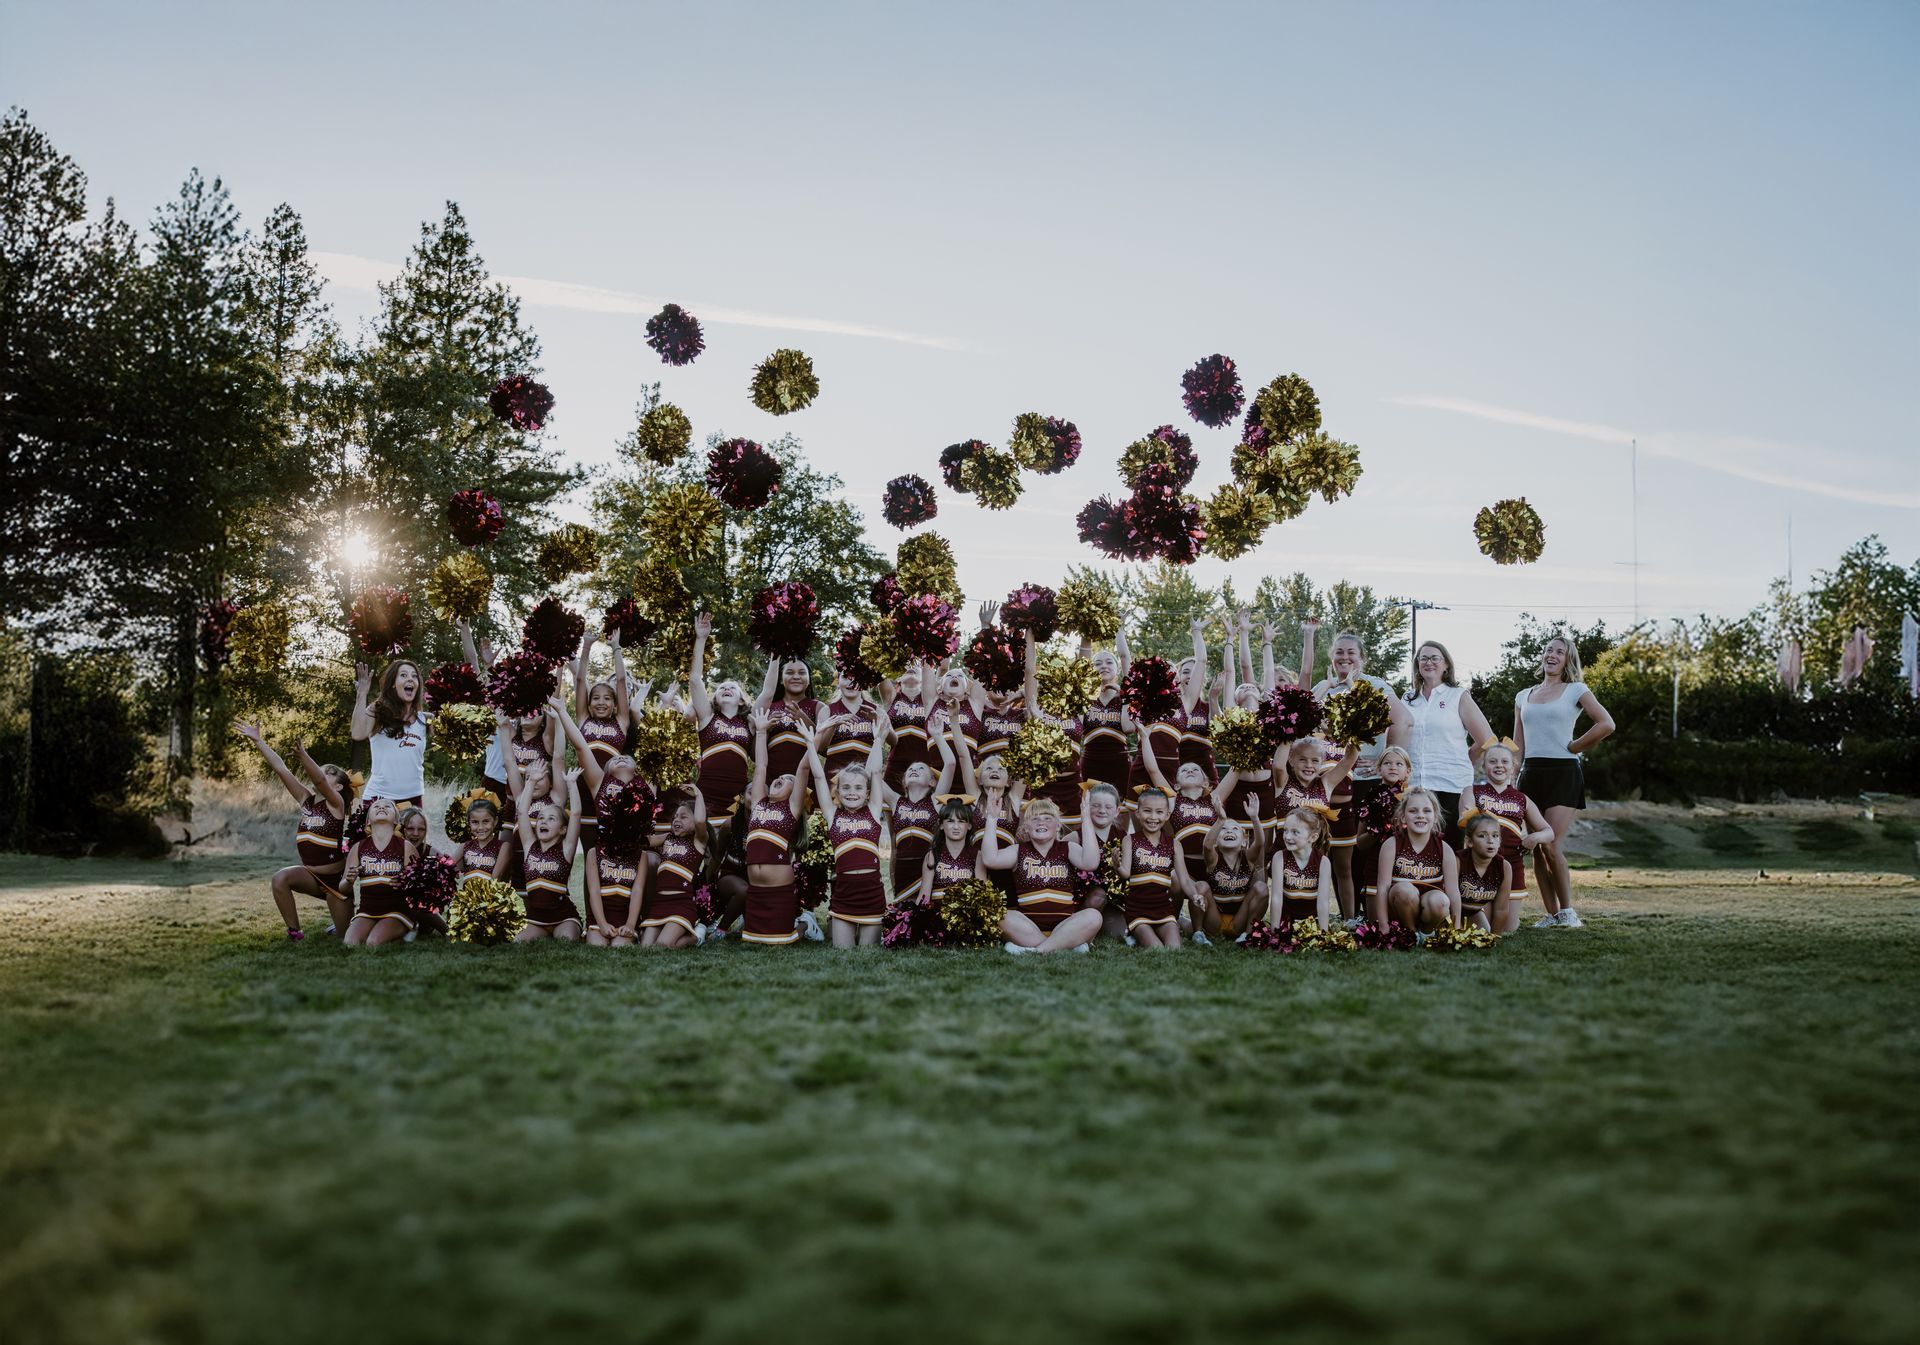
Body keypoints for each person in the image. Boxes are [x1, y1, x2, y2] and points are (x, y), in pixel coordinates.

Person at [1513, 635, 1615, 929]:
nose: (1552, 655)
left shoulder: (1576, 690)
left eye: (1560, 652)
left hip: (1564, 773)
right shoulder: (1523, 696)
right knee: (1537, 849)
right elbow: (1518, 745)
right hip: (1530, 775)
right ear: (1542, 656)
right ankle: (1552, 913)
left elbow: (1606, 724)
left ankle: (1569, 912)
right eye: (1548, 650)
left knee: (1552, 844)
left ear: (1568, 660)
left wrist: (1575, 747)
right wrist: (1511, 776)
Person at [1312, 632, 1413, 922]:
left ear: (1363, 658)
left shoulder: (1377, 686)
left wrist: (1388, 761)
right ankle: (1348, 913)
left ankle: (1369, 911)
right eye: (1339, 652)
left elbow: (1405, 721)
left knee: (1365, 845)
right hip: (1331, 782)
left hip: (1367, 780)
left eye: (1351, 653)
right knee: (1336, 849)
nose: (1344, 658)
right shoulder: (1325, 687)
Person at [231, 721, 355, 940]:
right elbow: (281, 769)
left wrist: (304, 756)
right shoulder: (306, 800)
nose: (323, 773)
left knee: (346, 939)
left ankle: (347, 922)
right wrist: (258, 741)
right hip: (310, 875)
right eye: (323, 769)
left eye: (330, 773)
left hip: (336, 882)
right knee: (280, 878)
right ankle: (295, 932)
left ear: (337, 787)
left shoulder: (336, 804)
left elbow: (317, 778)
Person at [980, 797, 1104, 954]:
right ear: (1026, 827)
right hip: (1028, 927)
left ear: (1058, 825)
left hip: (1065, 925)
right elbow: (990, 859)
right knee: (1001, 915)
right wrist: (991, 819)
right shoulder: (1019, 850)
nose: (1041, 822)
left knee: (1094, 916)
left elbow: (1091, 862)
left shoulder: (1068, 848)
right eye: (1035, 819)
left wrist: (1086, 819)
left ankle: (1034, 951)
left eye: (1047, 818)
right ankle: (1065, 946)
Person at [809, 727, 892, 946]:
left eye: (858, 788)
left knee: (867, 954)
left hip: (871, 894)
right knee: (842, 955)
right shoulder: (832, 813)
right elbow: (818, 776)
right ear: (836, 792)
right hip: (844, 894)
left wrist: (877, 740)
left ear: (867, 793)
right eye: (845, 787)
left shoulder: (873, 811)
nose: (851, 792)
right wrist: (811, 744)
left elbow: (875, 772)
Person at [740, 705, 815, 945]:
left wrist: (811, 742)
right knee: (753, 941)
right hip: (755, 890)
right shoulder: (759, 802)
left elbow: (803, 768)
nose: (780, 778)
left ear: (796, 794)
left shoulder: (791, 810)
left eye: (787, 780)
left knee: (785, 941)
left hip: (778, 889)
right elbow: (761, 766)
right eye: (779, 777)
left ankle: (805, 924)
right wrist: (761, 732)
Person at [1462, 741, 1554, 934]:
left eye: (1505, 761)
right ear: (1484, 767)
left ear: (1513, 767)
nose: (1499, 765)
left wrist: (1534, 837)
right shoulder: (1472, 791)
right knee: (1483, 929)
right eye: (1492, 761)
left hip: (1511, 864)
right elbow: (1465, 819)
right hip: (1480, 865)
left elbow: (1549, 832)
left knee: (1507, 929)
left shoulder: (1522, 798)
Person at [1402, 640, 1494, 832]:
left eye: (1435, 658)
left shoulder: (1458, 696)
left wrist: (1466, 758)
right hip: (1414, 786)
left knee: (1451, 849)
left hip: (1451, 784)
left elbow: (1486, 739)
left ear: (1446, 665)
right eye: (1424, 658)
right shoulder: (1407, 699)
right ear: (1417, 665)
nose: (1429, 662)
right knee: (1418, 850)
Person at [688, 612, 753, 834]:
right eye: (721, 688)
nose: (725, 688)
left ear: (742, 698)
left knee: (732, 848)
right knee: (705, 851)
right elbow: (695, 680)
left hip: (737, 796)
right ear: (714, 698)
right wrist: (701, 639)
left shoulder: (749, 722)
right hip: (706, 794)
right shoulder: (707, 718)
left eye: (732, 687)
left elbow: (768, 692)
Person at [572, 630, 635, 850]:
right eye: (596, 698)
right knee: (590, 852)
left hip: (611, 791)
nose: (601, 702)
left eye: (607, 699)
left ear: (615, 705)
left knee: (613, 852)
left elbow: (620, 679)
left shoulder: (621, 722)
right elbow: (580, 679)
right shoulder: (582, 720)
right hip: (583, 791)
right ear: (588, 705)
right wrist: (587, 645)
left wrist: (616, 646)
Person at [509, 762, 585, 943]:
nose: (543, 822)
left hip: (563, 915)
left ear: (562, 829)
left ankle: (573, 929)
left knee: (565, 941)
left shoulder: (566, 848)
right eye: (541, 818)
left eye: (551, 819)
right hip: (536, 916)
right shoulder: (530, 846)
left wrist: (572, 784)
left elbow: (575, 814)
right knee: (517, 942)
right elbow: (521, 812)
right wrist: (531, 781)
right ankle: (542, 931)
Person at [1375, 787, 1460, 932]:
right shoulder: (1392, 844)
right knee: (1404, 890)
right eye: (1413, 811)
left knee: (1440, 901)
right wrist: (1383, 925)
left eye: (1427, 811)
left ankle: (1427, 933)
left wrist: (1456, 929)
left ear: (1435, 816)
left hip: (1430, 908)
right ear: (1403, 817)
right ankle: (1411, 932)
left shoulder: (1444, 848)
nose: (1420, 815)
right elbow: (1382, 888)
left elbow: (1453, 892)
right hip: (1400, 907)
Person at [351, 659, 429, 807]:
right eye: (404, 675)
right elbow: (357, 733)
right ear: (393, 683)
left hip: (413, 799)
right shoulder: (377, 711)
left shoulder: (424, 720)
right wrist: (361, 694)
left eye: (414, 676)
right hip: (379, 798)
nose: (410, 679)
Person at [341, 797, 417, 947]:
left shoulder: (405, 846)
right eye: (376, 806)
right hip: (368, 910)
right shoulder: (358, 847)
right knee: (350, 943)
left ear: (396, 820)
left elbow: (418, 886)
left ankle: (411, 927)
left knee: (373, 942)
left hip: (396, 911)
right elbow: (342, 887)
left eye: (387, 806)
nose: (381, 807)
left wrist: (405, 882)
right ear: (368, 820)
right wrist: (349, 881)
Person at [641, 791, 709, 948]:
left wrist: (699, 795)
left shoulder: (699, 842)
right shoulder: (667, 838)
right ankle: (679, 932)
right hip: (659, 903)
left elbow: (700, 821)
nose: (677, 820)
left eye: (683, 817)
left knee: (663, 945)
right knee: (645, 947)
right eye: (675, 817)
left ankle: (696, 938)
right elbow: (645, 840)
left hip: (681, 904)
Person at [1193, 801, 1268, 940]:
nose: (1229, 831)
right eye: (1224, 829)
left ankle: (1247, 934)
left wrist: (1255, 818)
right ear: (1216, 840)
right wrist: (1220, 820)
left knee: (1262, 888)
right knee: (1200, 886)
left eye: (1235, 829)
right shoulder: (1214, 858)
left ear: (1244, 841)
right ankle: (1198, 933)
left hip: (1239, 920)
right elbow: (1207, 845)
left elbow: (1259, 843)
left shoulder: (1248, 858)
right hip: (1214, 920)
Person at [1120, 786, 1181, 947]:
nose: (1153, 817)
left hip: (1163, 908)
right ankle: (1137, 931)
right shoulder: (1130, 840)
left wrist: (1195, 895)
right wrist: (1116, 866)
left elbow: (1184, 880)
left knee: (1175, 949)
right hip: (1137, 910)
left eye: (1159, 812)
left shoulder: (1174, 844)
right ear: (1138, 813)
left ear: (1167, 815)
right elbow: (1125, 873)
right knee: (1156, 949)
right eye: (1147, 811)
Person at [1079, 632, 1135, 799]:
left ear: (1117, 670)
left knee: (1120, 816)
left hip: (1120, 763)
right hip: (1090, 762)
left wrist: (1119, 629)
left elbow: (1128, 727)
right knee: (1091, 810)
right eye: (1097, 663)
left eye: (1109, 662)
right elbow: (1081, 665)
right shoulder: (1084, 696)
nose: (1104, 666)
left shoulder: (1126, 695)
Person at [756, 655, 825, 786]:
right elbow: (754, 755)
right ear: (781, 680)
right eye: (789, 672)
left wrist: (803, 719)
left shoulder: (819, 707)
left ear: (809, 680)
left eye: (802, 672)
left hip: (807, 781)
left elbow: (824, 749)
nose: (796, 676)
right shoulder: (769, 707)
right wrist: (765, 730)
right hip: (772, 781)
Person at [1271, 806, 1334, 928]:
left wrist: (1323, 934)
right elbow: (1276, 898)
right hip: (1287, 924)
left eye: (1295, 832)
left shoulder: (1323, 862)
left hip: (1312, 924)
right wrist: (1274, 931)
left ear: (1313, 837)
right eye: (1285, 830)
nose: (1287, 837)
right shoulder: (1279, 858)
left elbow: (1323, 903)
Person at [1458, 813, 1513, 933]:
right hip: (1451, 910)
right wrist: (1456, 929)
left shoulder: (1504, 867)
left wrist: (1494, 938)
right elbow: (1450, 899)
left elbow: (1501, 909)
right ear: (1469, 841)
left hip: (1474, 912)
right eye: (1482, 836)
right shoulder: (1458, 861)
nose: (1490, 841)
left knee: (1484, 934)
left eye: (1495, 835)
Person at [922, 797, 982, 900]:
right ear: (941, 825)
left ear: (969, 826)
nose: (956, 827)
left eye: (961, 821)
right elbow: (924, 896)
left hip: (966, 913)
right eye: (950, 821)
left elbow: (982, 894)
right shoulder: (932, 855)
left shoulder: (977, 855)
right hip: (936, 913)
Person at [454, 792, 514, 885]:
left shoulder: (503, 847)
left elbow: (496, 879)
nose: (480, 827)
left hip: (492, 898)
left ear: (495, 821)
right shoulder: (465, 846)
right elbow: (446, 867)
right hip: (467, 898)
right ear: (468, 822)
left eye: (486, 821)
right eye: (475, 822)